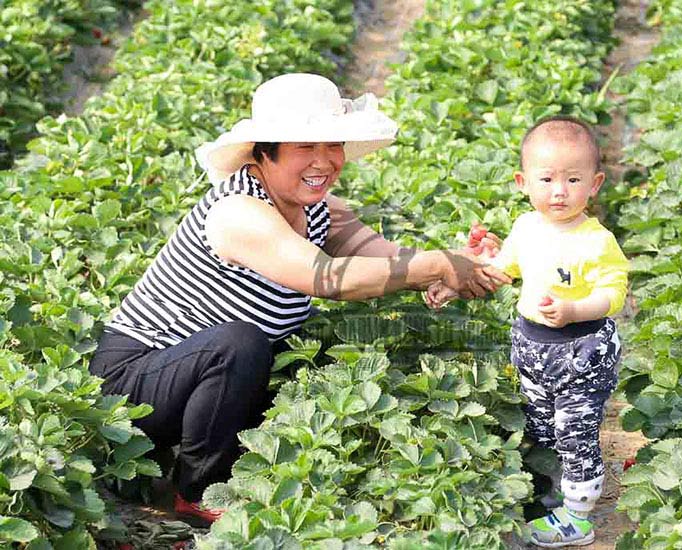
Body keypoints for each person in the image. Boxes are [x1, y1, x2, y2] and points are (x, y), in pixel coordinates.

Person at [88, 73, 510, 525]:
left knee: (294, 350)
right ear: (264, 152)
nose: (324, 161)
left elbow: (390, 260)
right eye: (305, 147)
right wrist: (435, 266)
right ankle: (193, 492)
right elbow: (326, 278)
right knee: (240, 343)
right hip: (131, 386)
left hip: (195, 382)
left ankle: (238, 466)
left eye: (333, 146)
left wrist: (459, 263)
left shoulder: (319, 208)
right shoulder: (238, 212)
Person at [426, 116, 629, 547]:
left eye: (573, 179)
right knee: (541, 425)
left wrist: (576, 308)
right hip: (533, 349)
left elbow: (614, 293)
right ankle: (549, 494)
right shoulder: (525, 228)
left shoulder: (597, 241)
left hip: (583, 350)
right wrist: (454, 286)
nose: (560, 191)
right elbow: (500, 271)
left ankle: (578, 516)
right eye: (548, 178)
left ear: (594, 185)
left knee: (575, 429)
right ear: (523, 182)